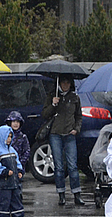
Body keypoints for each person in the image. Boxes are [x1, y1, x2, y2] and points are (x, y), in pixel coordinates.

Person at [42, 76, 83, 206]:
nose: (65, 85)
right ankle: (61, 194)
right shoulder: (52, 95)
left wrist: (76, 129)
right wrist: (54, 104)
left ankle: (77, 194)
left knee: (73, 166)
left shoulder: (75, 97)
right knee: (59, 166)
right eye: (63, 82)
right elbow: (45, 114)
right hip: (56, 134)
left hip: (70, 134)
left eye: (67, 82)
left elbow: (79, 116)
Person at [0, 124, 29, 217]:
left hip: (14, 180)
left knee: (16, 198)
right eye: (7, 136)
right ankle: (3, 215)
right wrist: (4, 171)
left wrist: (20, 171)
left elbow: (17, 162)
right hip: (4, 182)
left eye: (10, 136)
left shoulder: (12, 150)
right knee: (5, 199)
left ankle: (18, 215)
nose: (9, 139)